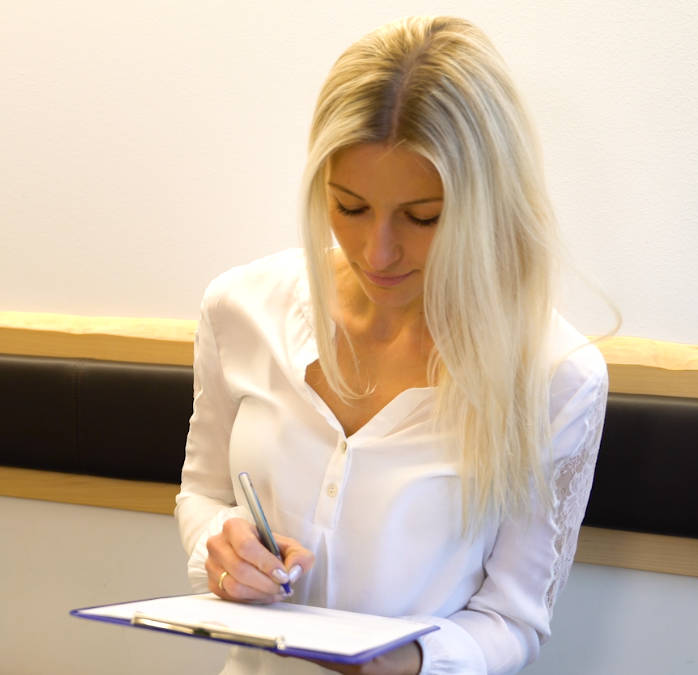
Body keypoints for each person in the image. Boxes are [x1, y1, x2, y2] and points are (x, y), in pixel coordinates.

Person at [174, 15, 611, 675]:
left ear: (488, 205)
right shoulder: (240, 309)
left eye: (422, 217)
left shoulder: (554, 375)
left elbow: (515, 619)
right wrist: (221, 544)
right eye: (350, 207)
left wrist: (412, 659)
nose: (378, 253)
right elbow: (202, 493)